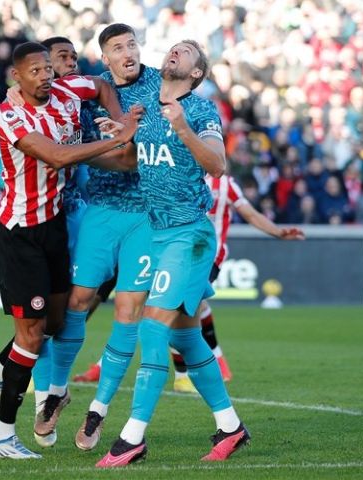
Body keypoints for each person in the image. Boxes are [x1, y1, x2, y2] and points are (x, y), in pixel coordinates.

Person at [0, 41, 137, 459]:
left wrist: (118, 118)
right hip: (20, 232)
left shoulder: (67, 91)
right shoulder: (7, 113)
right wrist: (121, 137)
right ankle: (2, 437)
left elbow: (102, 85)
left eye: (49, 68)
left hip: (52, 226)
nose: (47, 75)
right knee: (30, 337)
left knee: (54, 323)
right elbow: (58, 156)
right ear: (18, 76)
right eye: (36, 71)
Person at [96, 40, 249, 467]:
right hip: (160, 235)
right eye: (174, 49)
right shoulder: (144, 103)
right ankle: (230, 427)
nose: (174, 53)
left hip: (190, 236)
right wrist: (119, 136)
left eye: (186, 53)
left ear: (196, 73)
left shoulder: (200, 112)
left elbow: (218, 165)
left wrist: (182, 127)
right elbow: (132, 155)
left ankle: (132, 439)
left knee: (152, 329)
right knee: (185, 335)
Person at [172, 174, 305, 393]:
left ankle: (184, 375)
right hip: (177, 252)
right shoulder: (177, 174)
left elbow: (250, 214)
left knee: (181, 306)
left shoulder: (226, 184)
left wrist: (278, 232)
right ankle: (215, 361)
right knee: (193, 306)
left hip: (209, 256)